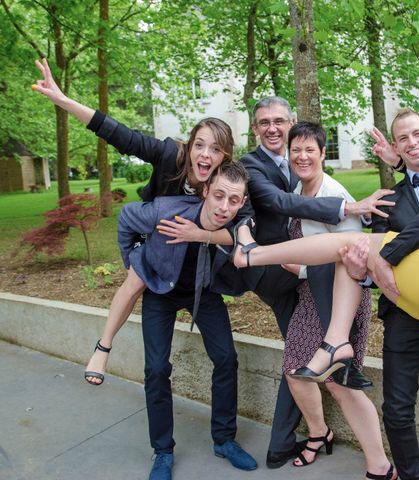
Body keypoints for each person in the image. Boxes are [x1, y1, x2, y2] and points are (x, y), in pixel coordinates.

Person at [234, 88, 419, 479]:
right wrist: (360, 270)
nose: (412, 142)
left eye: (418, 134)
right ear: (397, 146)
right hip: (403, 306)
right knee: (397, 409)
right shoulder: (389, 198)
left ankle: (273, 277)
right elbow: (368, 265)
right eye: (403, 138)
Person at [32, 58, 235, 386]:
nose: (206, 155)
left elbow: (243, 224)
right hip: (155, 238)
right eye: (200, 145)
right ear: (189, 145)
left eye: (216, 150)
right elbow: (119, 134)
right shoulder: (171, 156)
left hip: (194, 263)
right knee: (135, 280)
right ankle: (104, 345)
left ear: (225, 156)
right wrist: (63, 100)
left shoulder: (227, 182)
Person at [239, 96, 395, 468]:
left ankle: (379, 463)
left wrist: (301, 269)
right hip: (309, 299)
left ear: (323, 153)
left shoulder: (333, 194)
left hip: (340, 298)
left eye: (310, 149)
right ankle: (318, 432)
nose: (302, 156)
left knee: (339, 382)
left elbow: (351, 257)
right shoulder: (297, 191)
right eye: (297, 151)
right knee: (296, 370)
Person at [118, 162, 257, 479]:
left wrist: (204, 235)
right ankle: (162, 451)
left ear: (242, 201)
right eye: (219, 195)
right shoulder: (168, 210)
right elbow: (126, 217)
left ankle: (224, 439)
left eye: (233, 200)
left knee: (226, 358)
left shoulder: (241, 225)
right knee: (156, 369)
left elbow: (242, 242)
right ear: (206, 190)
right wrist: (133, 263)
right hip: (160, 291)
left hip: (203, 292)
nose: (224, 207)